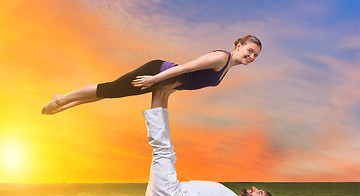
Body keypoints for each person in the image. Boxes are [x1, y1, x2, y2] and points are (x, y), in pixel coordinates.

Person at [144, 83, 275, 196]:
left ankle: (157, 93)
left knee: (163, 150)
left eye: (258, 193)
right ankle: (163, 95)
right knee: (166, 150)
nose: (254, 188)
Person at [42, 35, 261, 115]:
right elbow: (186, 68)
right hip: (156, 72)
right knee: (108, 89)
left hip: (161, 80)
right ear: (239, 45)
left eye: (255, 55)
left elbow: (186, 81)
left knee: (110, 92)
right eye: (249, 50)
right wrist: (155, 79)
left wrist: (165, 90)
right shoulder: (221, 58)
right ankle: (61, 99)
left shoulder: (226, 69)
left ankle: (63, 105)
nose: (251, 56)